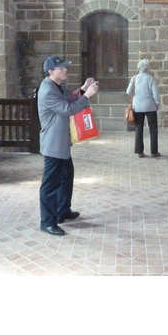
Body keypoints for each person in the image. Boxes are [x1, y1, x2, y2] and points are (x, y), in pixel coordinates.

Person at [37, 55, 99, 236]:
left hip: (61, 143)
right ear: (51, 72)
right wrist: (87, 96)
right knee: (50, 185)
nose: (65, 70)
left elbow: (69, 97)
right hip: (53, 145)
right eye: (61, 68)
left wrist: (82, 89)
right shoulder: (47, 90)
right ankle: (47, 221)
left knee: (66, 176)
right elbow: (67, 109)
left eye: (65, 67)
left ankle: (62, 210)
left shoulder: (56, 86)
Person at [126, 59, 161, 158]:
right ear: (147, 68)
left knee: (139, 128)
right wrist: (157, 105)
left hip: (138, 107)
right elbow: (156, 94)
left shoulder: (135, 78)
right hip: (150, 106)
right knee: (153, 129)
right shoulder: (151, 79)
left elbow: (128, 92)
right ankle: (154, 151)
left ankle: (139, 151)